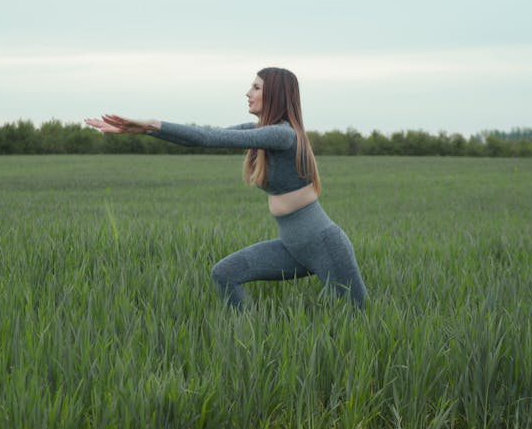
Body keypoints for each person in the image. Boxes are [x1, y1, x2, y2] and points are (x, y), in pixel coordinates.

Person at [85, 67, 367, 310]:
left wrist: (153, 123)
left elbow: (208, 138)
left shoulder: (281, 134)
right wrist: (144, 130)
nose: (248, 92)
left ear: (276, 95)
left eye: (256, 87)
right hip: (292, 247)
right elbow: (203, 136)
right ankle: (249, 338)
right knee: (225, 274)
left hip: (324, 246)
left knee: (359, 319)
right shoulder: (260, 131)